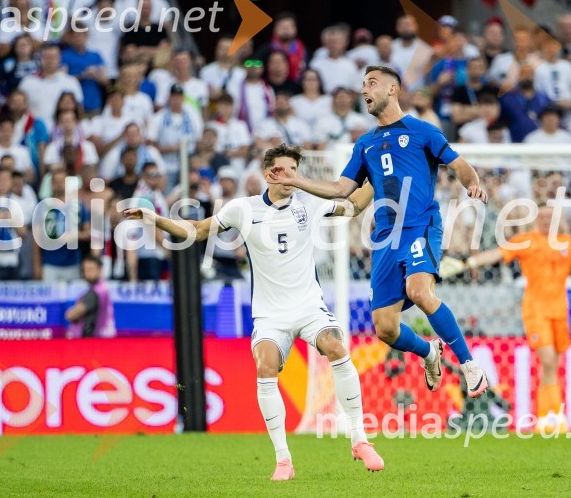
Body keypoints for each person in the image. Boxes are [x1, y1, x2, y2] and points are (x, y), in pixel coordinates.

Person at [123, 143, 384, 480]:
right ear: (267, 174)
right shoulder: (242, 210)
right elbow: (196, 231)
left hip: (309, 307)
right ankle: (283, 460)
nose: (289, 177)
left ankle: (360, 440)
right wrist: (155, 219)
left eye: (294, 169)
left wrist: (380, 176)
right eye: (282, 170)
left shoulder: (311, 203)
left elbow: (354, 206)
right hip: (270, 316)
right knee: (265, 367)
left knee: (336, 347)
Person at [267, 66, 490, 398]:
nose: (364, 90)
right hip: (385, 237)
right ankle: (429, 352)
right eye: (362, 84)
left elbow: (459, 165)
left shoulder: (422, 131)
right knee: (385, 328)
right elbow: (342, 189)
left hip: (420, 225)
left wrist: (472, 182)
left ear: (392, 89)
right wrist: (296, 182)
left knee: (419, 291)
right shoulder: (365, 144)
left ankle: (470, 365)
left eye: (371, 83)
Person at [461, 206, 571, 431]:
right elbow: (498, 253)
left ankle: (546, 417)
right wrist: (472, 262)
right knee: (547, 361)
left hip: (560, 312)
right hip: (536, 311)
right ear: (536, 219)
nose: (546, 221)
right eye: (542, 217)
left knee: (552, 366)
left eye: (550, 217)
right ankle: (555, 416)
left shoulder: (568, 243)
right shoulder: (526, 241)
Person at [65, 254, 116, 338]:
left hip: (95, 338)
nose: (88, 273)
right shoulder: (104, 287)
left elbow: (71, 315)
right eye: (86, 270)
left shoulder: (95, 293)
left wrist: (69, 313)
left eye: (91, 269)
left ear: (100, 270)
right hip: (104, 335)